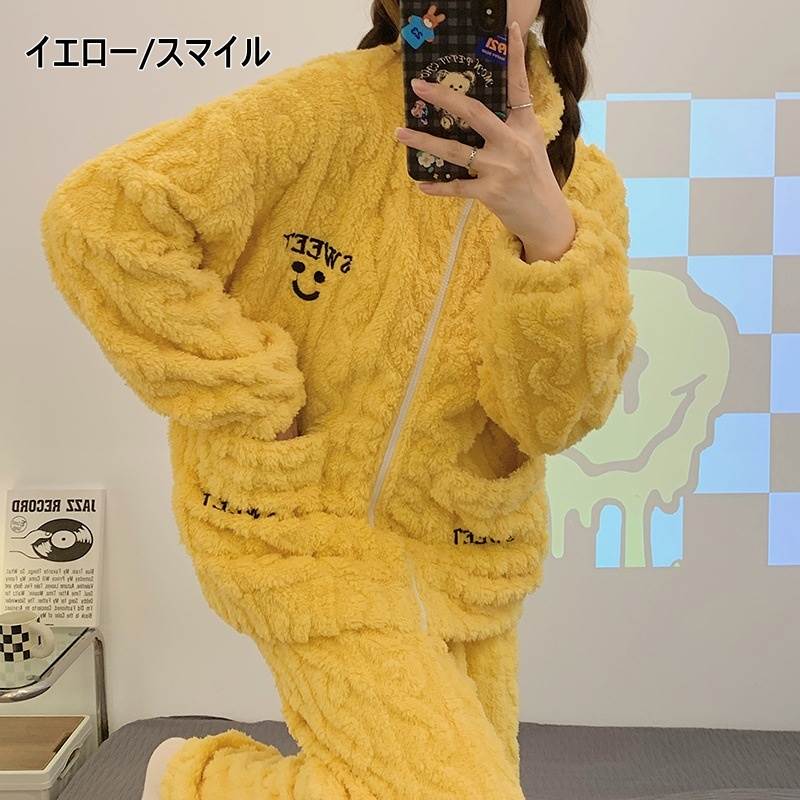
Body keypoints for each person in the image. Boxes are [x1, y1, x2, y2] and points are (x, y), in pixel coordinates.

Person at [40, 0, 637, 797]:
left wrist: (545, 234)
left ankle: (191, 783)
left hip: (466, 550)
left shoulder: (582, 190)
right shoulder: (323, 111)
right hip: (301, 525)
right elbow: (100, 220)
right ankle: (194, 779)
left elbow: (553, 418)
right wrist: (252, 393)